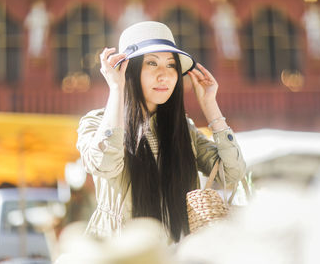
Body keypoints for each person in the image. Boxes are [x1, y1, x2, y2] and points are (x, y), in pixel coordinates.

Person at [76, 21, 246, 242]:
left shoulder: (183, 128)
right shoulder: (97, 123)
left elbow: (233, 172)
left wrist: (210, 106)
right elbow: (105, 164)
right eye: (152, 64)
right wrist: (117, 88)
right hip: (120, 251)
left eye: (171, 65)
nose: (164, 75)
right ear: (130, 70)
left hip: (177, 250)